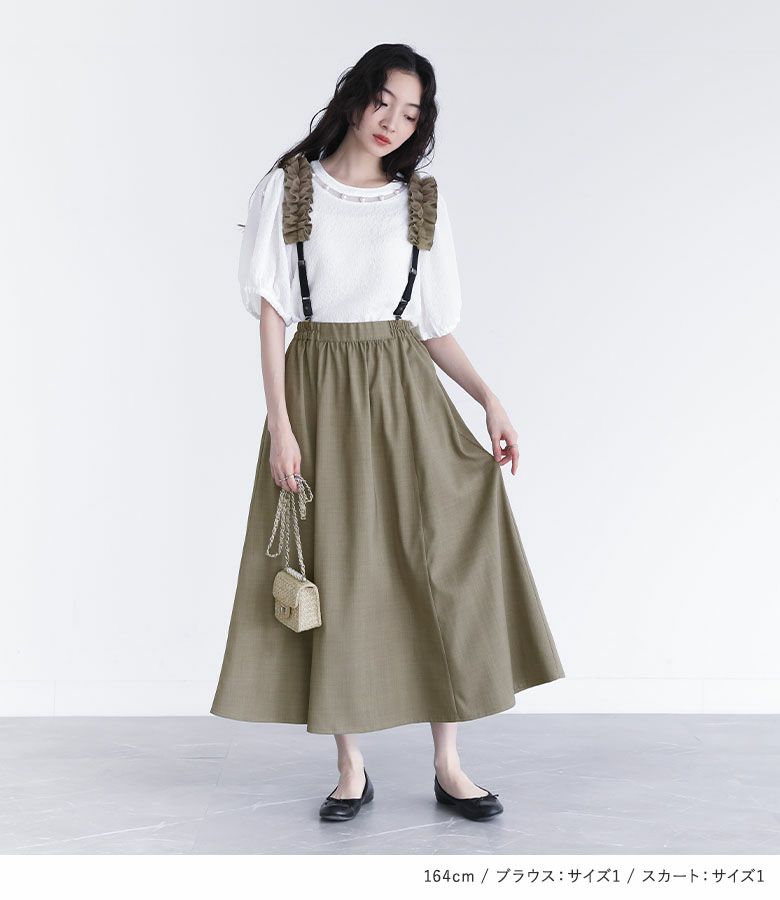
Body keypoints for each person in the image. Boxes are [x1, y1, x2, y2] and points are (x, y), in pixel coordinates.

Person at [210, 42, 565, 822]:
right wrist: (281, 425)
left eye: (411, 114)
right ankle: (350, 768)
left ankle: (449, 764)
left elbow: (432, 327)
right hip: (320, 392)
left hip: (406, 393)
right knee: (338, 568)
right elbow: (273, 317)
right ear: (355, 95)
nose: (393, 123)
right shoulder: (290, 187)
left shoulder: (420, 202)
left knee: (437, 562)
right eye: (384, 102)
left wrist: (489, 399)